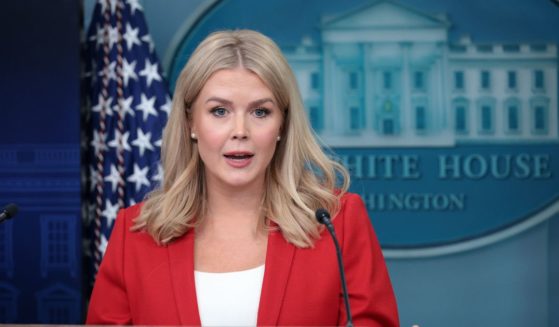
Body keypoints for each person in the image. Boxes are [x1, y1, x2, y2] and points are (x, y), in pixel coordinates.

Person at [86, 29, 399, 326]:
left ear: (282, 126)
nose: (240, 131)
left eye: (260, 112)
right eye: (219, 111)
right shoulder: (134, 235)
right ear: (190, 123)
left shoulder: (338, 223)